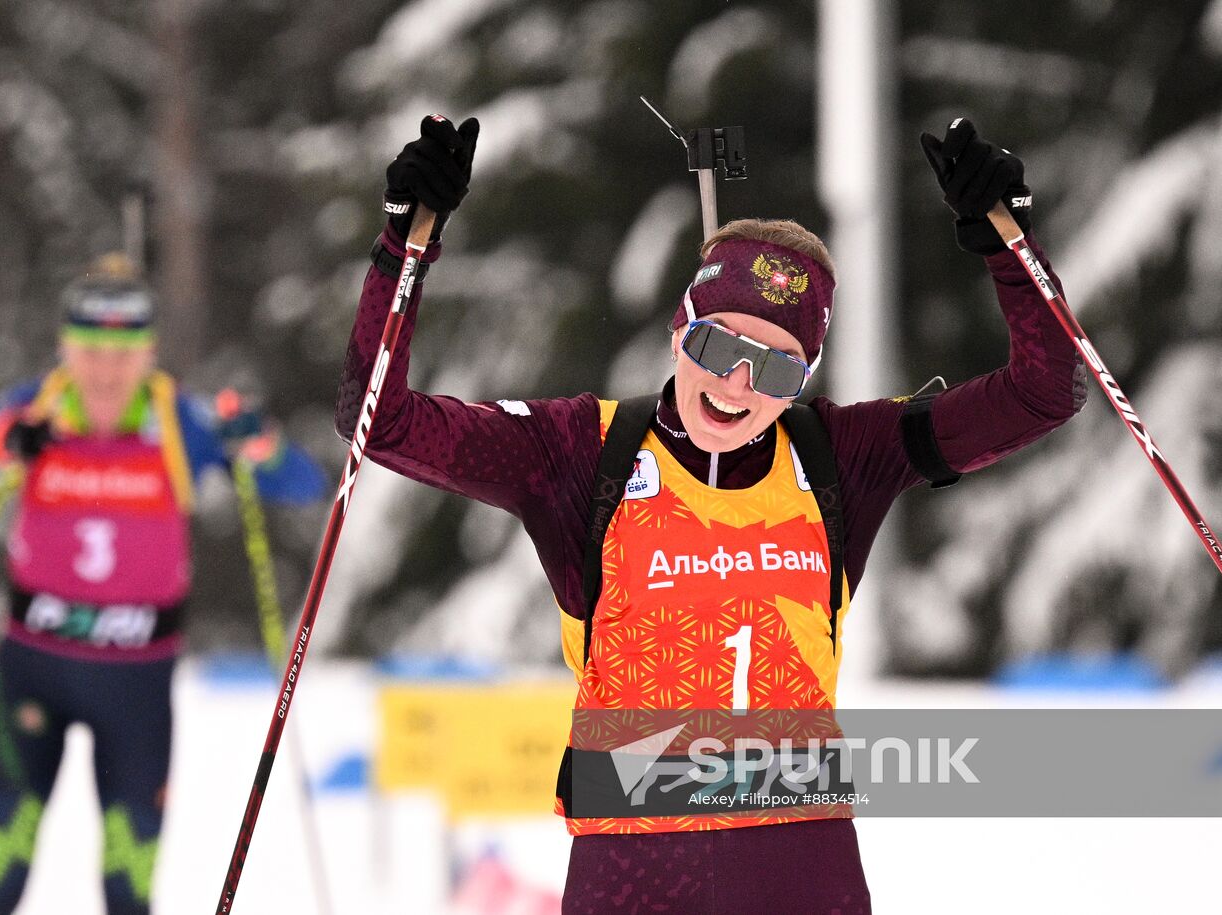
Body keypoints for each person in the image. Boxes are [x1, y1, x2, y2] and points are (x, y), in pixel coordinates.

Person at [336, 115, 1085, 913]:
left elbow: (1046, 391)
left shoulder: (841, 457)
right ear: (679, 331)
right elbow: (379, 420)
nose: (736, 387)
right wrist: (402, 253)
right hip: (634, 870)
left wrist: (1011, 247)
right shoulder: (582, 452)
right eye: (719, 347)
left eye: (775, 368)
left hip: (799, 862)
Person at [0, 253, 326, 915]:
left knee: (128, 892)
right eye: (90, 350)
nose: (106, 370)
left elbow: (305, 485)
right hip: (32, 674)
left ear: (148, 353)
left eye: (123, 353)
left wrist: (260, 442)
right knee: (0, 883)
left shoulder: (180, 421)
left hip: (137, 686)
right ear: (65, 348)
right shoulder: (32, 410)